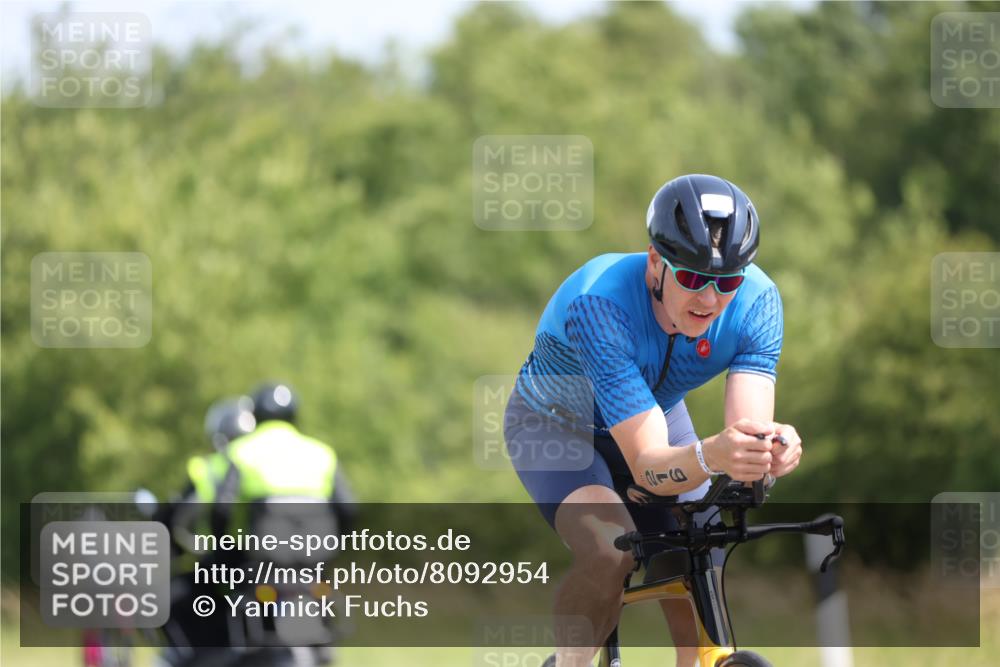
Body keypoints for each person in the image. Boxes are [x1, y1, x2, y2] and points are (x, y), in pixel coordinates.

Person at [504, 174, 803, 667]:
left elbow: (744, 440)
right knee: (608, 551)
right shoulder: (599, 303)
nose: (709, 300)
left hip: (655, 417)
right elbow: (648, 464)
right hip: (557, 426)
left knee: (697, 547)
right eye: (692, 278)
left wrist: (770, 450)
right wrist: (710, 454)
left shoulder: (758, 303)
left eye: (727, 281)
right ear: (654, 263)